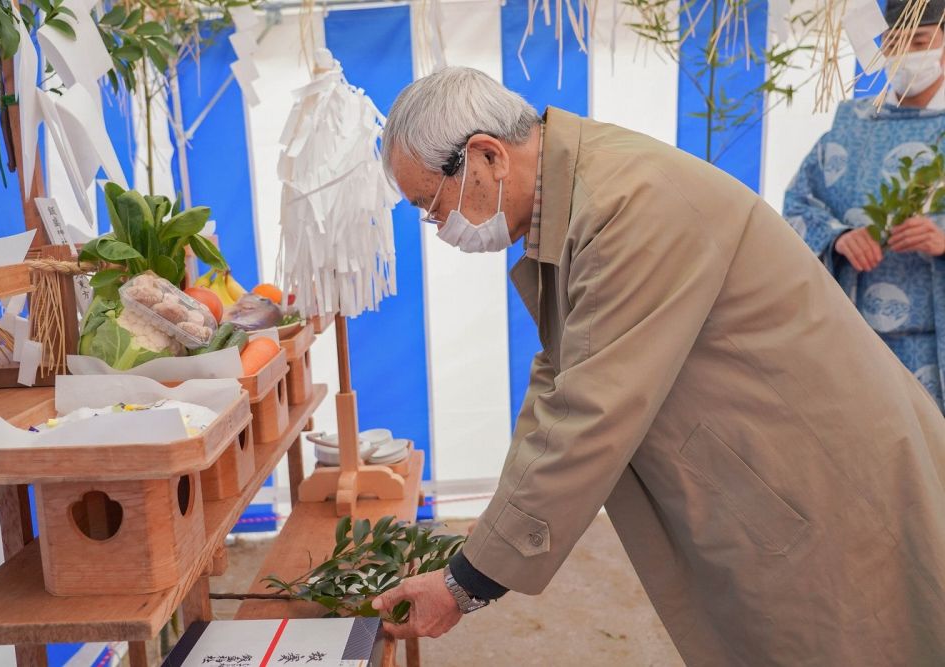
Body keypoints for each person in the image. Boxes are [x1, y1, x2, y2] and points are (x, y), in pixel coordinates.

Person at [370, 66, 945, 665]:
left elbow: (592, 409)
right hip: (770, 459)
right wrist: (479, 550)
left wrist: (467, 583)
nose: (438, 228)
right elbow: (558, 382)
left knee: (860, 638)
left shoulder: (625, 203)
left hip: (823, 470)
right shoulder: (574, 199)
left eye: (431, 205)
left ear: (487, 155)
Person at [784, 0, 945, 411]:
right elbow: (797, 204)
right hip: (853, 335)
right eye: (893, 43)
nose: (906, 52)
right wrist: (837, 238)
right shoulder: (852, 124)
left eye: (920, 40)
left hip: (934, 344)